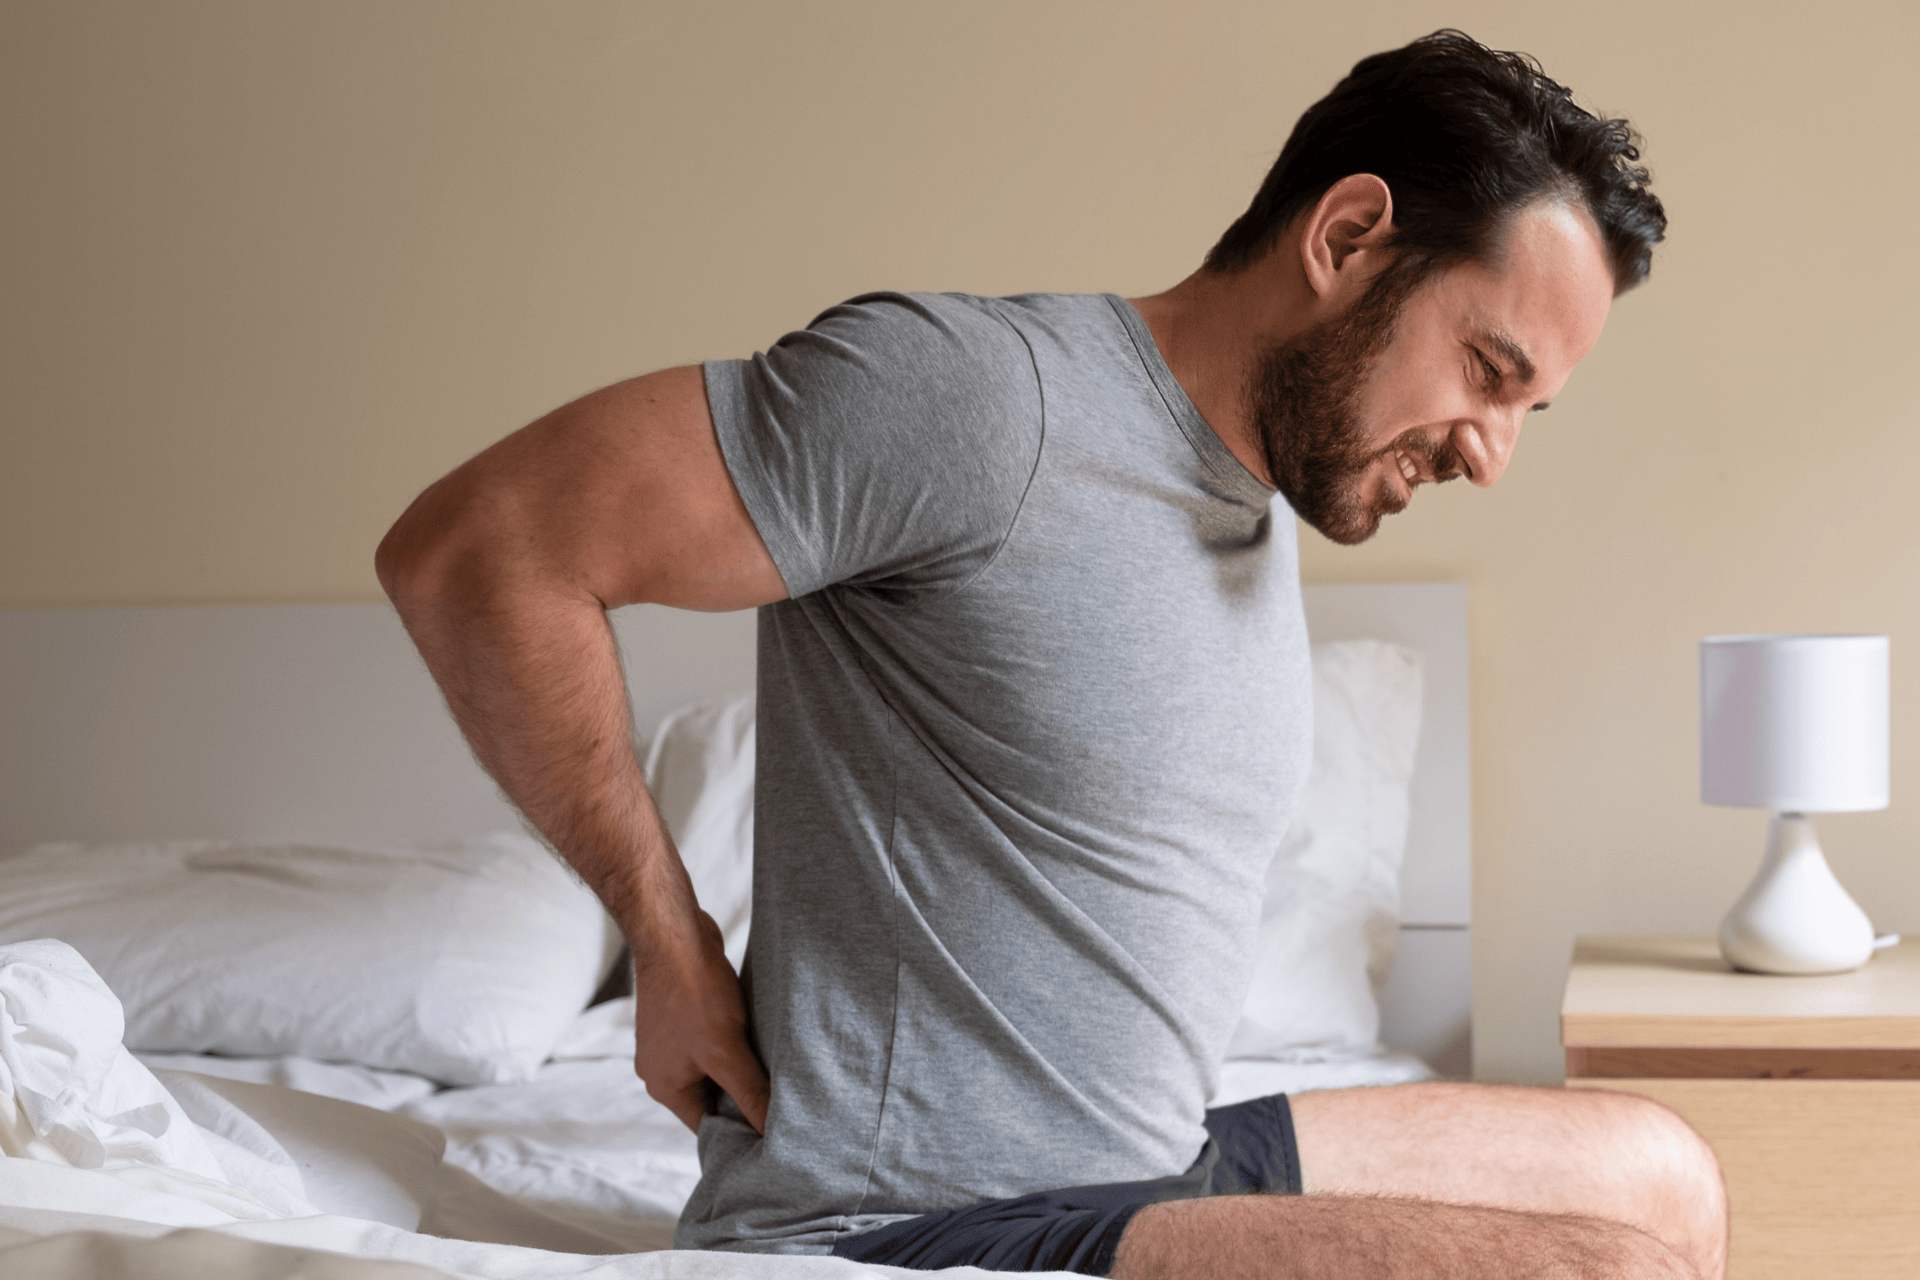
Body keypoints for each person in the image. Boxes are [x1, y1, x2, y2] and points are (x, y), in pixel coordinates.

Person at [378, 29, 1724, 1280]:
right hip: (909, 1220)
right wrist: (665, 938)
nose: (1492, 455)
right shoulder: (977, 398)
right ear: (1351, 237)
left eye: (1530, 405)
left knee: (1660, 1180)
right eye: (1488, 372)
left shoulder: (1261, 492)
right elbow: (478, 552)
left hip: (1146, 1166)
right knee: (1599, 1277)